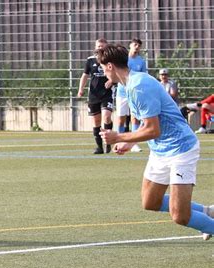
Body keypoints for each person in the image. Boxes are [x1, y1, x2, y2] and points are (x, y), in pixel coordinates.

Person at [97, 44, 214, 240]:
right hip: (160, 150)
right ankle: (207, 212)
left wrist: (119, 137)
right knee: (150, 202)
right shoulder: (127, 87)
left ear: (109, 66)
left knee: (181, 216)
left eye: (102, 68)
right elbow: (147, 124)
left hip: (180, 149)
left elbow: (153, 129)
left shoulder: (139, 85)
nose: (102, 73)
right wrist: (129, 142)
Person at [77, 38, 114, 154]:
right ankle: (99, 147)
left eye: (102, 46)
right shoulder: (90, 60)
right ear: (95, 47)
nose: (100, 48)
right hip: (93, 95)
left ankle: (108, 142)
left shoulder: (111, 60)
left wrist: (112, 81)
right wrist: (80, 89)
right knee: (96, 121)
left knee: (107, 117)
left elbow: (118, 73)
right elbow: (85, 75)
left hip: (107, 94)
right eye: (98, 46)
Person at [115, 38, 147, 152]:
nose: (137, 47)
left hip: (135, 93)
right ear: (130, 46)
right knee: (121, 119)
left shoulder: (141, 61)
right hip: (122, 93)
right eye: (135, 44)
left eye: (139, 45)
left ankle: (133, 144)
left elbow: (143, 76)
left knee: (135, 118)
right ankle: (119, 140)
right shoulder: (124, 59)